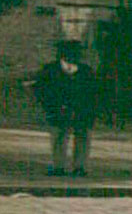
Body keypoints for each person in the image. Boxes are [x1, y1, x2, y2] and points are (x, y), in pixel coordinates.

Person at [33, 38, 99, 178]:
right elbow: (40, 89)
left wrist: (91, 109)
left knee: (82, 136)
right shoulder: (50, 69)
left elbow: (95, 92)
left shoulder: (86, 71)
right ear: (62, 54)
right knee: (58, 137)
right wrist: (50, 106)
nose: (75, 55)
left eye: (77, 52)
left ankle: (80, 167)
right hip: (58, 109)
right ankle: (59, 166)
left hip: (81, 110)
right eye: (71, 52)